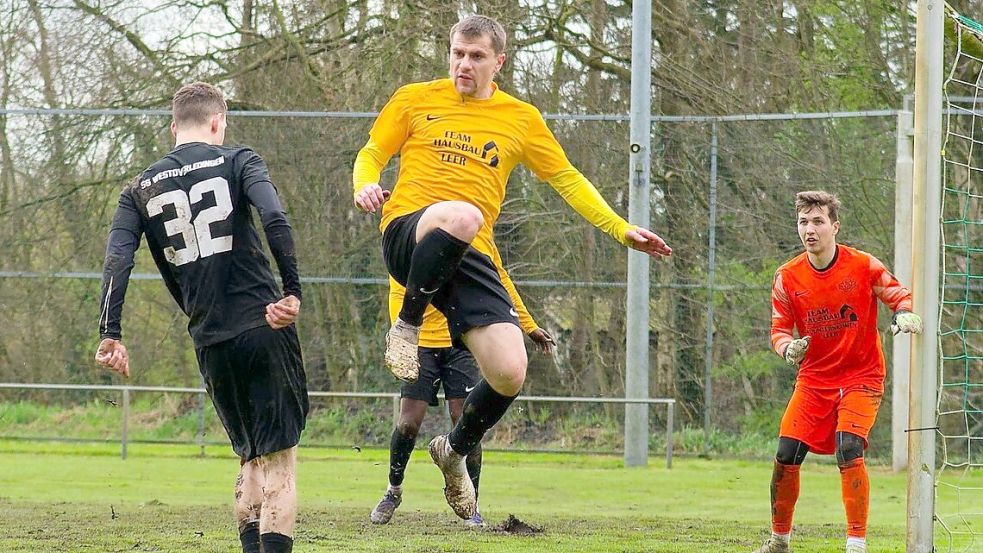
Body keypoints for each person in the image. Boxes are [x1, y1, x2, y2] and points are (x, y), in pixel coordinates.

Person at [352, 14, 671, 519]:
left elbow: (566, 178)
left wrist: (620, 228)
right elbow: (372, 152)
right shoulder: (414, 98)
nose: (464, 63)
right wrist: (364, 185)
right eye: (458, 53)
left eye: (476, 56)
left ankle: (453, 451)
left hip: (469, 256)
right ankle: (406, 328)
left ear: (498, 62)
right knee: (462, 212)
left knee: (509, 370)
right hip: (409, 237)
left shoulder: (520, 118)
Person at [95, 82, 308, 553]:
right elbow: (274, 218)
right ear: (218, 121)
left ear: (173, 126)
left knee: (249, 459)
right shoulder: (239, 160)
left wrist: (111, 332)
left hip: (210, 339)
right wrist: (292, 290)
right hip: (264, 325)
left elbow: (117, 261)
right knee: (279, 465)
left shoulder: (138, 189)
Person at [753, 191, 923, 553]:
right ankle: (779, 540)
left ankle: (856, 544)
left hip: (862, 377)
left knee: (848, 448)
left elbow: (897, 293)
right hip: (814, 380)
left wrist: (904, 312)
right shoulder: (787, 277)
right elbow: (778, 330)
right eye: (803, 222)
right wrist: (788, 349)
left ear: (835, 226)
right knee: (786, 452)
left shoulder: (861, 265)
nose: (809, 229)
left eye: (817, 221)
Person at [370, 263, 555, 527]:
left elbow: (499, 281)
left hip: (459, 341)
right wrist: (403, 339)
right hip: (421, 344)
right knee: (408, 422)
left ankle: (472, 505)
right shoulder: (411, 240)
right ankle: (393, 491)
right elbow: (399, 292)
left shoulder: (462, 242)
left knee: (466, 421)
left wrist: (529, 326)